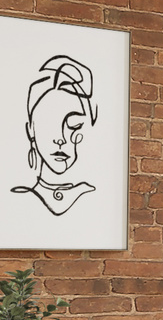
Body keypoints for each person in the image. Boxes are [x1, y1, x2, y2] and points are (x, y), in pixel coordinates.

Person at [11, 54, 98, 215]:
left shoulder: (93, 197)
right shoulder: (18, 199)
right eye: (48, 123)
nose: (60, 139)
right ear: (31, 129)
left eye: (73, 126)